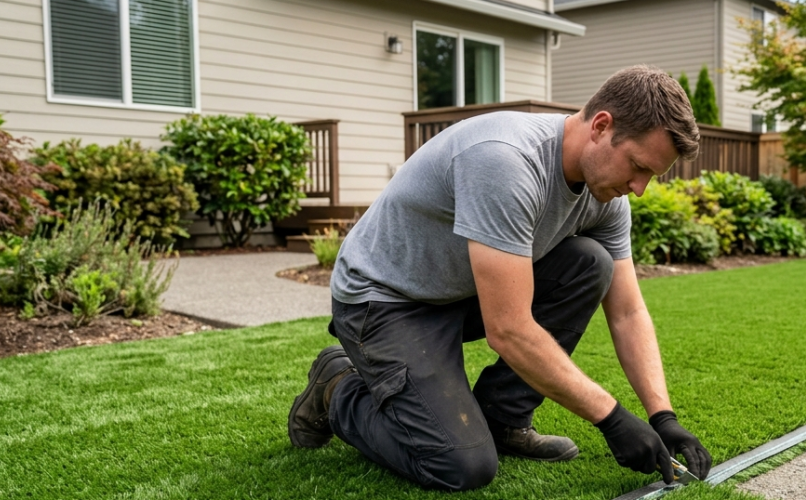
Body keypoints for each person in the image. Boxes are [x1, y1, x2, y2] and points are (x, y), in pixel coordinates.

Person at [287, 65, 712, 491]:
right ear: (602, 126)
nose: (639, 188)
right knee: (460, 466)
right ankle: (337, 386)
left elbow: (627, 311)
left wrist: (663, 418)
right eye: (637, 167)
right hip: (384, 301)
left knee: (591, 263)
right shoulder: (505, 160)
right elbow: (508, 329)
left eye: (650, 176)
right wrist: (611, 417)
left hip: (457, 290)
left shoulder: (607, 200)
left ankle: (503, 418)